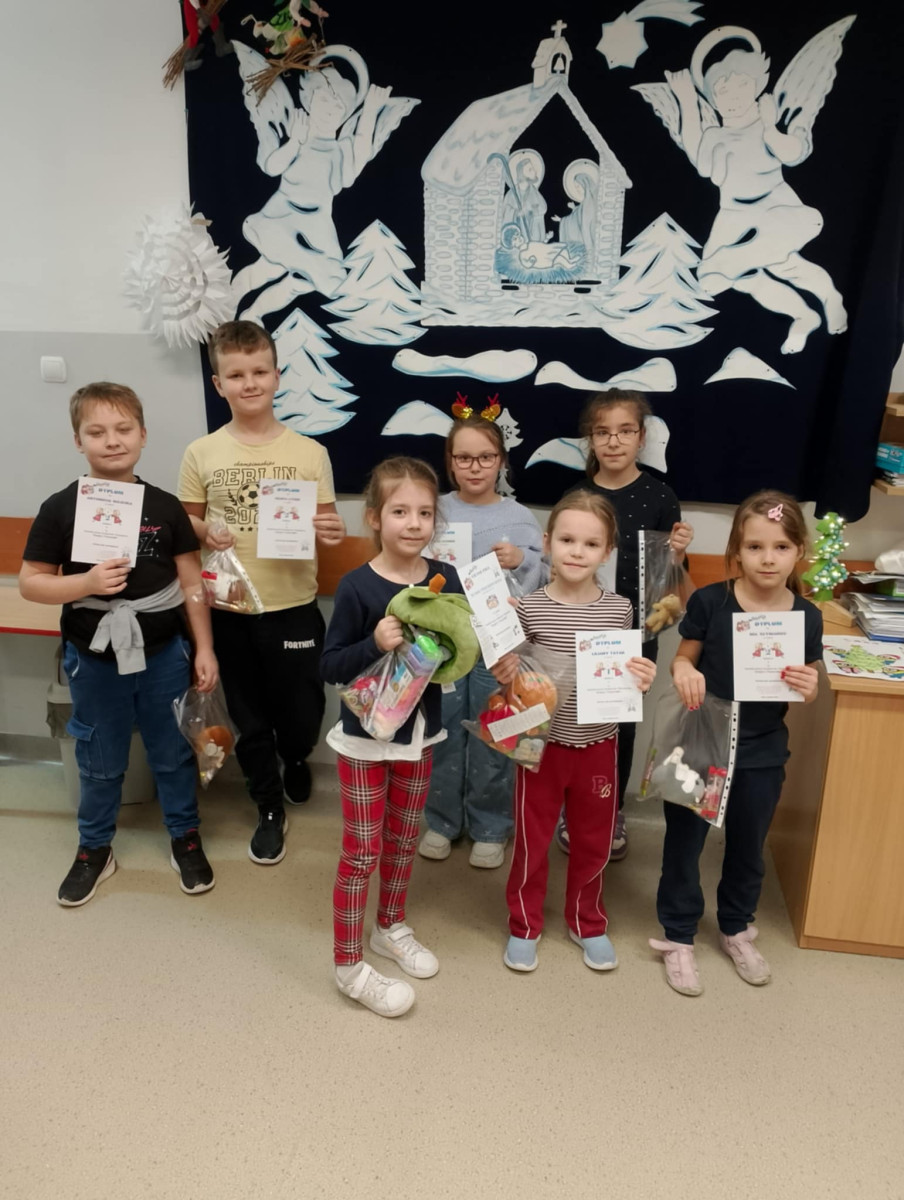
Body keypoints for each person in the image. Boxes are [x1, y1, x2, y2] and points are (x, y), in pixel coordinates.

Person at [20, 383, 219, 906]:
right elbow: (31, 583)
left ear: (143, 435)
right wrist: (84, 583)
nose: (112, 441)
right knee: (98, 755)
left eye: (123, 429)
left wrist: (204, 648)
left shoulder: (166, 507)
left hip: (164, 653)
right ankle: (94, 847)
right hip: (93, 657)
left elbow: (191, 582)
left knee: (172, 751)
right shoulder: (61, 508)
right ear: (78, 441)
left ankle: (184, 835)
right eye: (97, 432)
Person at [178, 320, 345, 866]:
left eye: (259, 372)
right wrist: (207, 531)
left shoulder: (309, 452)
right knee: (248, 717)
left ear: (276, 376)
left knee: (301, 712)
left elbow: (326, 522)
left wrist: (331, 530)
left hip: (293, 606)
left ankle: (295, 756)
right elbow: (185, 522)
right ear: (218, 384)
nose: (249, 383)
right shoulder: (201, 452)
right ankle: (269, 807)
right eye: (236, 375)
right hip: (228, 608)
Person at [650, 491, 822, 996]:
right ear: (737, 551)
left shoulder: (806, 616)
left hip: (762, 749)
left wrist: (810, 686)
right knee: (684, 845)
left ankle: (736, 928)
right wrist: (684, 671)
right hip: (701, 743)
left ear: (798, 552)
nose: (768, 559)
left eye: (781, 547)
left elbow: (805, 683)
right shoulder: (711, 601)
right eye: (755, 547)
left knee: (749, 846)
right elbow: (683, 658)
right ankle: (678, 935)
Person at [491, 492, 656, 973]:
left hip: (599, 745)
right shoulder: (529, 608)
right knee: (532, 839)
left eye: (591, 543)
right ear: (547, 543)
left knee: (593, 840)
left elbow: (625, 676)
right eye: (567, 540)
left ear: (607, 552)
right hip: (540, 746)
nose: (577, 551)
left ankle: (588, 921)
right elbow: (512, 678)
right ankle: (524, 924)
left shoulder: (619, 610)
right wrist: (504, 669)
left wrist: (641, 678)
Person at [320, 457, 462, 1018]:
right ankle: (347, 964)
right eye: (400, 511)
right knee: (362, 851)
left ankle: (390, 926)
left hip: (418, 738)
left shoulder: (444, 578)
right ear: (375, 518)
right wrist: (374, 643)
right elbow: (332, 666)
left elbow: (457, 651)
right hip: (364, 740)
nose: (414, 523)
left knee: (404, 840)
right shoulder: (357, 586)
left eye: (425, 512)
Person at [562, 388, 693, 859]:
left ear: (641, 438)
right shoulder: (578, 496)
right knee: (574, 720)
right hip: (579, 628)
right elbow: (561, 561)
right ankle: (572, 806)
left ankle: (610, 808)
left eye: (625, 431)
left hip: (634, 635)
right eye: (602, 432)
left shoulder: (660, 496)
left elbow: (672, 586)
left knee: (620, 726)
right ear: (590, 439)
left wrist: (677, 555)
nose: (613, 441)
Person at [419, 407, 544, 869]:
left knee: (496, 732)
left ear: (501, 461)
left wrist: (522, 560)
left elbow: (543, 582)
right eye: (464, 458)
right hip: (443, 646)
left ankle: (491, 825)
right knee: (442, 732)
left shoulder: (520, 517)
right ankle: (441, 820)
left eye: (486, 457)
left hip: (499, 648)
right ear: (450, 461)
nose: (475, 467)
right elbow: (407, 561)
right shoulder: (434, 509)